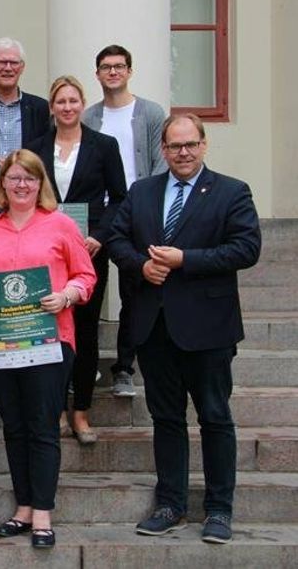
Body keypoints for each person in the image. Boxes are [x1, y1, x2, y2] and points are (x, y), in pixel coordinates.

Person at [107, 114, 261, 544]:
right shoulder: (142, 192)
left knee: (214, 418)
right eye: (175, 147)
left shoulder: (231, 191)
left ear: (204, 144)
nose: (183, 153)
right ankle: (170, 504)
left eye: (190, 144)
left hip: (208, 329)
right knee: (166, 419)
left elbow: (247, 248)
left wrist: (184, 260)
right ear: (164, 150)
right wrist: (141, 265)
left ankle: (218, 510)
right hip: (154, 328)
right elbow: (118, 240)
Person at [0, 149, 96, 549]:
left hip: (50, 340)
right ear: (2, 183)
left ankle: (42, 512)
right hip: (2, 341)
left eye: (29, 178)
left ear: (41, 184)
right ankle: (22, 506)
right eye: (14, 178)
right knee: (14, 425)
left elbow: (85, 275)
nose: (21, 185)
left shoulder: (61, 225)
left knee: (41, 425)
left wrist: (67, 295)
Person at [25, 76, 127, 444]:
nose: (67, 108)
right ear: (51, 108)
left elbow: (119, 198)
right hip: (46, 253)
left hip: (88, 250)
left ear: (82, 104)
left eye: (73, 101)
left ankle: (81, 410)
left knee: (84, 332)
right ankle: (54, 411)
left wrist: (100, 236)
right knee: (48, 330)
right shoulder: (35, 148)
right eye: (60, 102)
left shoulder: (104, 146)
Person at [82, 44, 168, 398]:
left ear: (129, 71)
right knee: (91, 288)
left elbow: (160, 162)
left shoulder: (149, 112)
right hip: (100, 213)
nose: (113, 72)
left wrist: (148, 204)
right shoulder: (89, 117)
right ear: (98, 74)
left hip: (139, 210)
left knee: (134, 291)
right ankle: (83, 367)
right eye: (106, 67)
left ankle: (125, 368)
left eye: (119, 66)